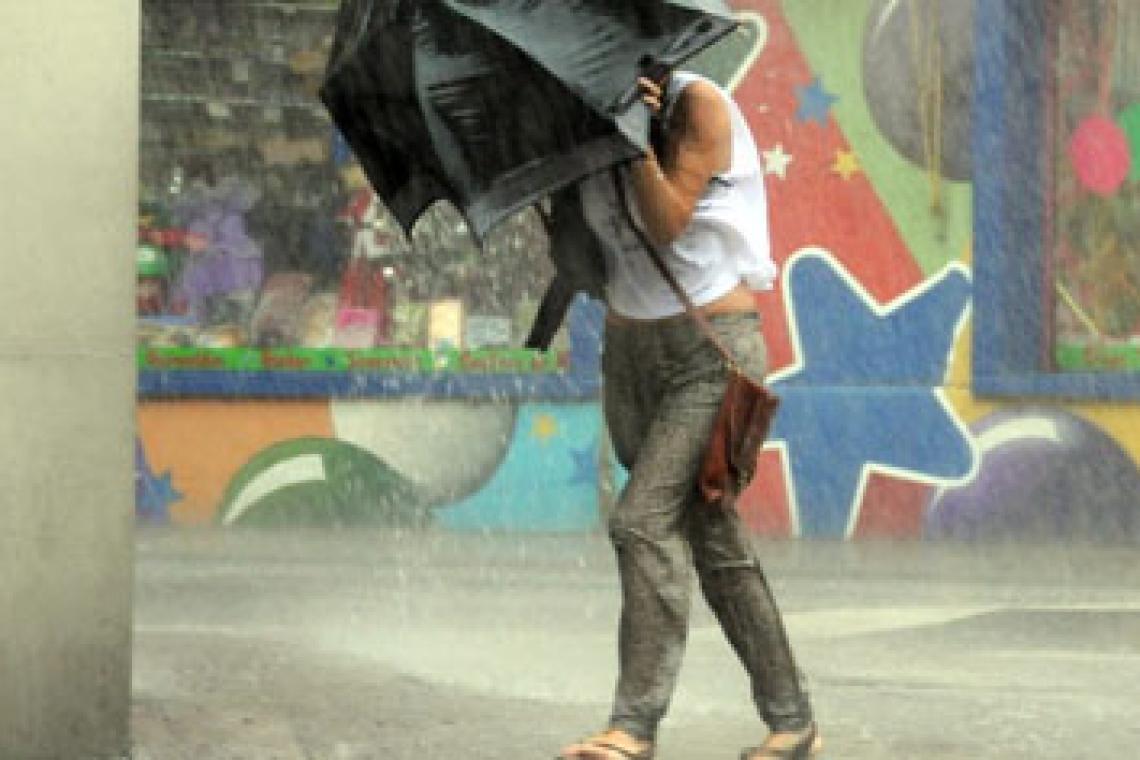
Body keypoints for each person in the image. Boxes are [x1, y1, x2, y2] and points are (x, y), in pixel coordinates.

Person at [557, 69, 822, 760]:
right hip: (630, 353)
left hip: (710, 353)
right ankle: (793, 721)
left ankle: (633, 726)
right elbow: (592, 251)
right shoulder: (575, 106)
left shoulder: (695, 105)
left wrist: (634, 136)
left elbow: (667, 222)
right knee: (713, 540)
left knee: (640, 524)